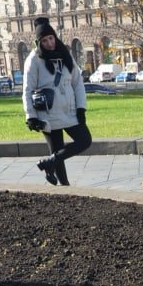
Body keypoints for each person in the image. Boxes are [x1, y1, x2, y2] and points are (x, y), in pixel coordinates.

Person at [23, 18, 91, 186]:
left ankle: (50, 163)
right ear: (39, 42)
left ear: (55, 37)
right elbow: (27, 90)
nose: (49, 43)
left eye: (51, 38)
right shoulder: (34, 59)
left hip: (69, 111)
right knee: (57, 150)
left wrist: (81, 108)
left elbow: (77, 83)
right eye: (44, 40)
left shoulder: (65, 54)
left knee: (85, 140)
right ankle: (65, 186)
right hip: (47, 113)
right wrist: (31, 116)